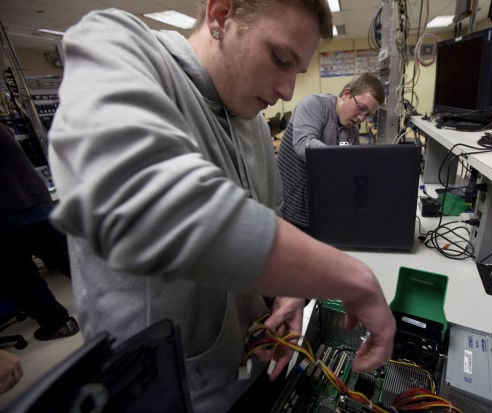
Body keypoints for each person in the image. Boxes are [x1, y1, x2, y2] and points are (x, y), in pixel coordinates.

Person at [47, 1, 396, 411]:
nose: (287, 90)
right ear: (221, 15)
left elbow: (268, 219)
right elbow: (150, 206)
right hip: (158, 392)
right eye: (280, 60)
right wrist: (352, 279)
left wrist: (287, 291)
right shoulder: (114, 47)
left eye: (296, 72)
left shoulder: (252, 124)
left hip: (247, 367)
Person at [0, 123, 79, 341]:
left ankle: (59, 325)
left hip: (6, 215)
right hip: (38, 201)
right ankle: (119, 297)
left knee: (20, 277)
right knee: (71, 260)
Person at [276, 73, 385, 232]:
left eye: (368, 115)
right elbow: (304, 145)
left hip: (320, 212)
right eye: (361, 108)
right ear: (346, 94)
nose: (361, 118)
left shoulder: (352, 131)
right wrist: (345, 160)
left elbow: (349, 169)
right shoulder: (314, 105)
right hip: (291, 210)